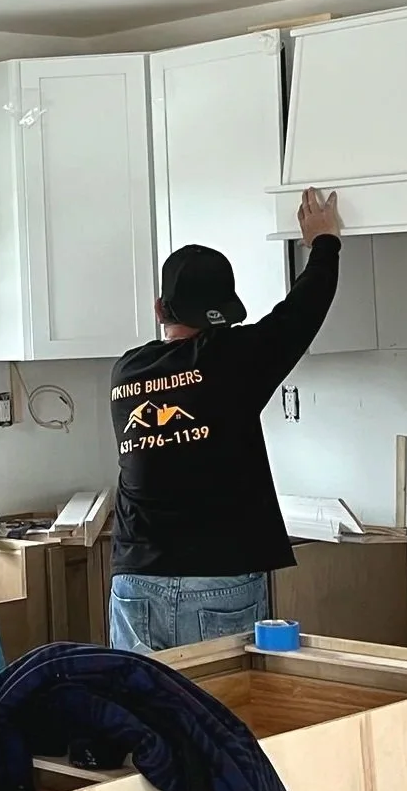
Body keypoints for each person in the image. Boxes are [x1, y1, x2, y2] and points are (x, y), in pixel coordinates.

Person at [104, 187, 344, 654]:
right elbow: (302, 311)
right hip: (218, 581)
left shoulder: (126, 371)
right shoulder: (234, 359)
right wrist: (324, 242)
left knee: (139, 700)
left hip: (135, 582)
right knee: (218, 700)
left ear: (159, 309)